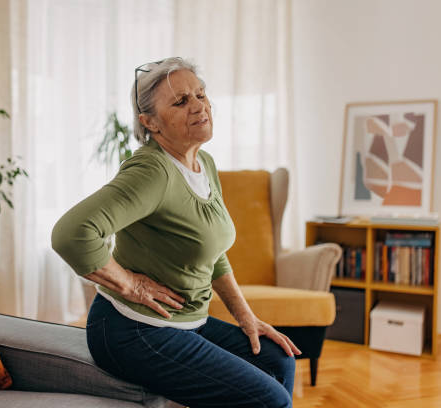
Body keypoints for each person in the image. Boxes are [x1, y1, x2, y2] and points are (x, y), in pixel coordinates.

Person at [52, 57, 300, 408]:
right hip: (133, 330)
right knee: (269, 400)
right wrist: (130, 284)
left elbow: (211, 251)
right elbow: (72, 234)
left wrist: (248, 318)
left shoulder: (204, 163)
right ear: (150, 122)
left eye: (200, 94)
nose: (199, 106)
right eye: (181, 101)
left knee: (278, 358)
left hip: (187, 322)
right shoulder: (152, 171)